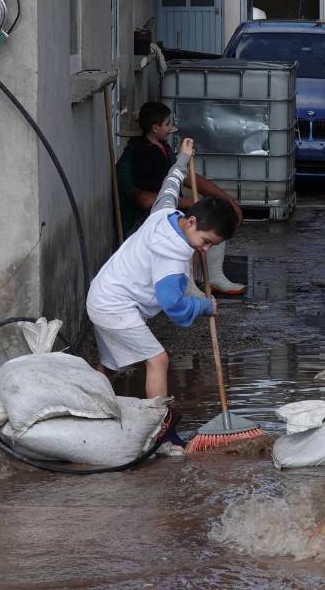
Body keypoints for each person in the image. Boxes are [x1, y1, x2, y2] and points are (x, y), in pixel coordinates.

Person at [87, 138, 237, 403]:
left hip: (105, 294)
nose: (204, 250)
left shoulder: (165, 213)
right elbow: (172, 304)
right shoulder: (172, 256)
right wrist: (204, 306)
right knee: (158, 360)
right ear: (191, 222)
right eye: (206, 242)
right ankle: (159, 422)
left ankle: (86, 402)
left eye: (211, 246)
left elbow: (170, 185)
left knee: (112, 366)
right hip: (115, 306)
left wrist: (183, 159)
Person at [118, 101, 247, 296]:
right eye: (167, 124)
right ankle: (186, 285)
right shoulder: (136, 157)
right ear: (154, 128)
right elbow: (148, 200)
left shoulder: (163, 148)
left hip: (172, 209)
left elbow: (183, 176)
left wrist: (227, 201)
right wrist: (189, 203)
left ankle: (214, 276)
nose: (171, 128)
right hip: (148, 222)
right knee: (188, 230)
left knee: (216, 217)